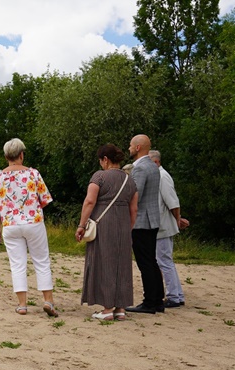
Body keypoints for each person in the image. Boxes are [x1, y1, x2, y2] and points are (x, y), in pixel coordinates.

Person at [0, 138, 58, 317]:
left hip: (10, 224)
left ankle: (22, 305)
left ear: (6, 156)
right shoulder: (33, 174)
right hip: (33, 221)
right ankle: (48, 300)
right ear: (21, 154)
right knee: (42, 261)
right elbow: (44, 200)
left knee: (17, 264)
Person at [76, 144, 139, 321]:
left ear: (105, 159)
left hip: (103, 223)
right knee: (122, 264)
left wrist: (81, 225)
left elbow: (89, 201)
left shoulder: (99, 176)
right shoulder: (130, 180)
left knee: (104, 262)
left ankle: (107, 309)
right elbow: (134, 209)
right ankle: (120, 308)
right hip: (124, 224)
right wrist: (129, 227)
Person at [126, 134, 165, 314]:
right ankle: (157, 300)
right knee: (151, 260)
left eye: (131, 146)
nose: (129, 149)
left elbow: (136, 194)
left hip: (141, 220)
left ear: (138, 147)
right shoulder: (153, 166)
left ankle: (150, 301)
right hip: (153, 218)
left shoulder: (140, 168)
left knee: (145, 262)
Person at [150, 150, 189, 308]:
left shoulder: (162, 177)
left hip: (164, 226)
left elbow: (173, 202)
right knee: (165, 261)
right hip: (162, 225)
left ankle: (173, 296)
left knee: (164, 261)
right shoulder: (157, 176)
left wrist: (177, 219)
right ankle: (177, 294)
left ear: (156, 162)